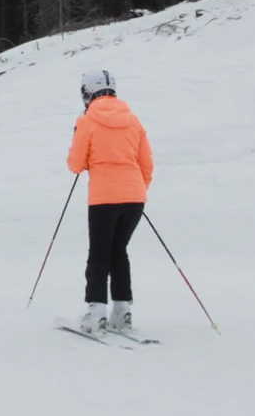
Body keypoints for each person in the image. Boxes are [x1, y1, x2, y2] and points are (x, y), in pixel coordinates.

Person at [67, 70, 153, 336]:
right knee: (119, 251)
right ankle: (122, 311)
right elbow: (147, 164)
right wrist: (136, 189)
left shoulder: (86, 121)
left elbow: (76, 165)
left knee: (99, 253)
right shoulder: (133, 120)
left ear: (88, 93)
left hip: (103, 199)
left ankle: (96, 313)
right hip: (135, 198)